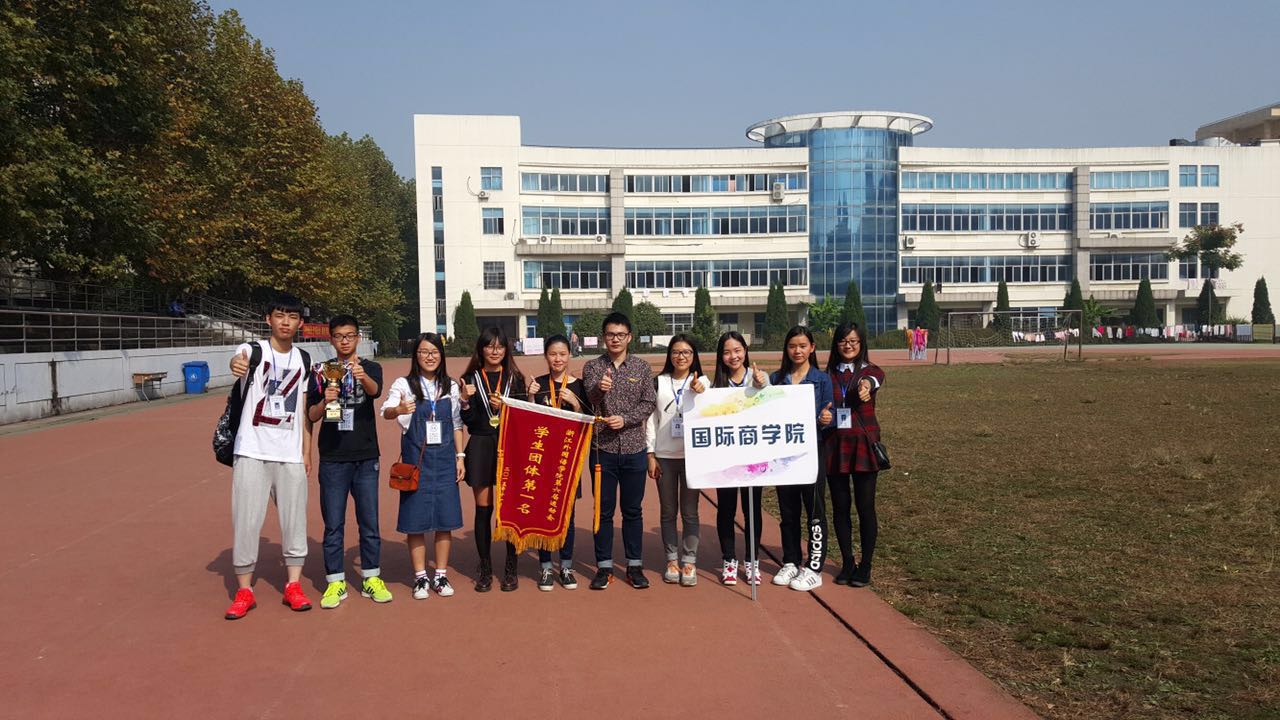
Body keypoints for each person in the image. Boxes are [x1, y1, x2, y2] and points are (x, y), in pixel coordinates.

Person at [224, 293, 314, 620]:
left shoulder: (304, 360)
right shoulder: (254, 351)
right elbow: (238, 359)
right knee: (246, 521)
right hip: (251, 450)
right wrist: (235, 365)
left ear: (300, 323)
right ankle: (244, 590)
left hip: (290, 454)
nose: (286, 322)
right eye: (280, 315)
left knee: (295, 521)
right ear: (268, 319)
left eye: (292, 317)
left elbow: (304, 408)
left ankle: (293, 585)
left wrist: (306, 452)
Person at [305, 315, 391, 608]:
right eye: (339, 336)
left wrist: (361, 376)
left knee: (369, 522)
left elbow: (375, 392)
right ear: (331, 339)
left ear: (358, 338)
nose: (344, 341)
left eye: (350, 335)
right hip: (333, 457)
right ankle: (335, 582)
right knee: (333, 524)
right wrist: (324, 400)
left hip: (366, 456)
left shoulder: (371, 368)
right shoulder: (321, 371)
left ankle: (371, 577)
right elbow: (311, 415)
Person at [380, 333, 465, 600]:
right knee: (415, 522)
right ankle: (420, 577)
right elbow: (386, 411)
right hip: (416, 461)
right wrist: (399, 409)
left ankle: (440, 575)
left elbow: (457, 423)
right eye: (424, 352)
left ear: (441, 355)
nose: (430, 357)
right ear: (415, 356)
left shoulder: (450, 386)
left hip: (445, 462)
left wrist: (460, 456)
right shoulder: (404, 384)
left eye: (434, 352)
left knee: (445, 521)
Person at [582, 312, 656, 590]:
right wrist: (600, 390)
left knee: (632, 510)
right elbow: (589, 401)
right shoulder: (592, 367)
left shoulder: (641, 367)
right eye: (611, 334)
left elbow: (649, 402)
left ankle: (634, 565)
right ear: (604, 337)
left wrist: (626, 419)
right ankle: (604, 566)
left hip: (634, 448)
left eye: (620, 335)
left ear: (629, 337)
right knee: (603, 511)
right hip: (603, 450)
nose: (615, 339)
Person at [459, 327, 527, 592]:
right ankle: (485, 569)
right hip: (481, 445)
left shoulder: (515, 378)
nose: (495, 351)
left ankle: (511, 568)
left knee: (509, 511)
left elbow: (524, 418)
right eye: (489, 346)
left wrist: (506, 407)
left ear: (506, 349)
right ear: (481, 349)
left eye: (500, 346)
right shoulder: (470, 378)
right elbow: (469, 421)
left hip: (510, 445)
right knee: (483, 510)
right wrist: (465, 401)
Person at [771, 325, 835, 592]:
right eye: (792, 346)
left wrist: (827, 418)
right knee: (788, 510)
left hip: (811, 451)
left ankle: (814, 567)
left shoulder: (822, 380)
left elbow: (831, 415)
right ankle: (790, 560)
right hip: (784, 453)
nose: (797, 351)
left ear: (812, 348)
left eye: (802, 346)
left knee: (814, 509)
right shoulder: (776, 379)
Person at [526, 334, 592, 591]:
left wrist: (575, 403)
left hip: (568, 460)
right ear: (546, 356)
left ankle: (565, 566)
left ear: (570, 355)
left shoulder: (580, 386)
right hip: (543, 460)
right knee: (543, 515)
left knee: (567, 517)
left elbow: (587, 423)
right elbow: (529, 422)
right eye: (553, 354)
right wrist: (531, 398)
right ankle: (545, 567)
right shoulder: (538, 384)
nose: (558, 359)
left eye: (562, 354)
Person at [825, 322, 885, 587]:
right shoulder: (827, 375)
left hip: (863, 445)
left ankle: (866, 565)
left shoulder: (870, 371)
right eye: (843, 341)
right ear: (836, 344)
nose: (848, 346)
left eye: (853, 341)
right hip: (835, 446)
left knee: (865, 507)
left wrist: (865, 386)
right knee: (840, 508)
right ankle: (848, 562)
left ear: (861, 344)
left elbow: (872, 380)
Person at [709, 331, 769, 586]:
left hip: (753, 458)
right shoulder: (716, 386)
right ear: (720, 356)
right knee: (726, 509)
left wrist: (762, 385)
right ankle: (729, 560)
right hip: (727, 459)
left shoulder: (760, 377)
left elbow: (772, 406)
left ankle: (752, 560)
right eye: (727, 352)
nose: (733, 356)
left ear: (745, 351)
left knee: (752, 509)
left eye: (737, 350)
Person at [645, 334, 704, 587]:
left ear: (694, 356)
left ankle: (689, 560)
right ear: (670, 355)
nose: (681, 356)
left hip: (692, 458)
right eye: (676, 352)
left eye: (687, 352)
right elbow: (651, 420)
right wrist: (650, 454)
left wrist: (701, 391)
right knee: (668, 512)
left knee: (690, 512)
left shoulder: (703, 382)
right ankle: (671, 560)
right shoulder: (658, 382)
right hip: (665, 457)